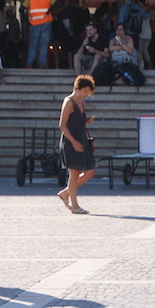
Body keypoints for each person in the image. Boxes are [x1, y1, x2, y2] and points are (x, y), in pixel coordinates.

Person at [57, 75, 97, 214]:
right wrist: (73, 142)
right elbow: (62, 125)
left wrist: (87, 121)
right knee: (73, 174)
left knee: (90, 172)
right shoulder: (69, 102)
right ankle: (74, 206)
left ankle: (65, 193)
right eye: (85, 91)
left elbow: (76, 121)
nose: (87, 94)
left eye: (88, 92)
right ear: (77, 88)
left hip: (81, 139)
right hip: (70, 141)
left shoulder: (81, 103)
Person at [22, 0, 56, 68]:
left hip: (34, 23)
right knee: (43, 45)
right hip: (46, 23)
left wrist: (26, 19)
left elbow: (21, 9)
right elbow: (58, 4)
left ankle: (29, 64)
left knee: (33, 44)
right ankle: (42, 64)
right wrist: (50, 9)